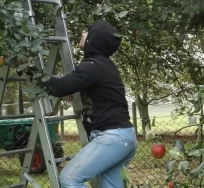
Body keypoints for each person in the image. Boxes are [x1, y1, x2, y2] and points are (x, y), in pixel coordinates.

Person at [45, 20, 136, 188]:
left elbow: (59, 87)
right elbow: (102, 94)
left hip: (113, 138)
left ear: (94, 40)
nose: (82, 34)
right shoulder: (104, 66)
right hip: (125, 136)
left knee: (69, 179)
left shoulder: (93, 66)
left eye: (87, 32)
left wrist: (33, 73)